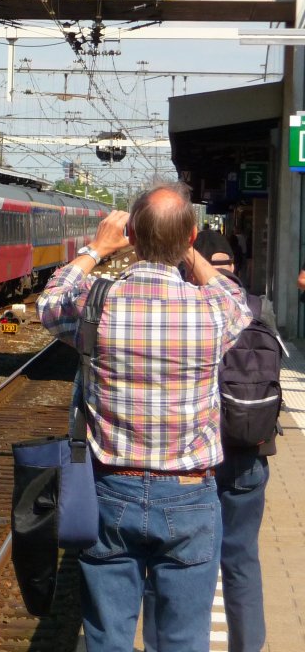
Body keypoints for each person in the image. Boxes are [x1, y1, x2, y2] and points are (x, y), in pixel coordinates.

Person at [37, 183, 252, 652]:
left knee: (108, 638)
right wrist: (186, 249)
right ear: (192, 238)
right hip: (191, 497)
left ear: (131, 234)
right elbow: (239, 302)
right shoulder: (214, 311)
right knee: (183, 639)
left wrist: (96, 248)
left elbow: (49, 302)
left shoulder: (96, 303)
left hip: (112, 490)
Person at [141, 229, 278, 652]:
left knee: (169, 562)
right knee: (241, 561)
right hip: (249, 453)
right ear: (233, 265)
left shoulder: (188, 306)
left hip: (192, 458)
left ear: (191, 263)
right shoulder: (258, 308)